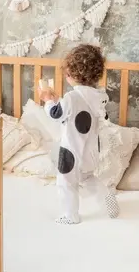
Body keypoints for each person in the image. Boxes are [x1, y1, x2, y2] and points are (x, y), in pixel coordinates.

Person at [39, 44, 119, 224]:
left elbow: (57, 114)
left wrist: (48, 101)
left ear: (72, 75)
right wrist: (58, 100)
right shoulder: (99, 96)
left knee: (66, 183)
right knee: (88, 178)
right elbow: (87, 111)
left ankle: (71, 215)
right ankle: (108, 199)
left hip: (71, 153)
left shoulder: (71, 98)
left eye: (67, 73)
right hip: (90, 153)